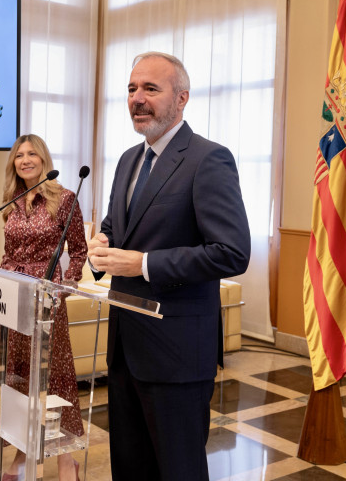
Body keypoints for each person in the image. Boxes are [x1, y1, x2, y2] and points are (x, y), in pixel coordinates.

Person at [88, 51, 251, 480]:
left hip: (177, 352)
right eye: (131, 89)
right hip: (125, 350)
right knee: (130, 467)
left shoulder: (208, 160)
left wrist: (143, 264)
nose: (137, 99)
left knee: (178, 471)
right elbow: (116, 227)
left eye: (150, 89)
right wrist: (101, 245)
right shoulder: (127, 159)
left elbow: (232, 252)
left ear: (181, 99)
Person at [0, 134, 86, 481]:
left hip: (45, 301)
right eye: (19, 155)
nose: (25, 160)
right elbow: (8, 255)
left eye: (32, 153)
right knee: (18, 379)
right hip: (9, 299)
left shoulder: (64, 199)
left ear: (44, 159)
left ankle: (66, 459)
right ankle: (22, 453)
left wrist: (66, 287)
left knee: (51, 380)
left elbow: (78, 250)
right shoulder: (11, 201)